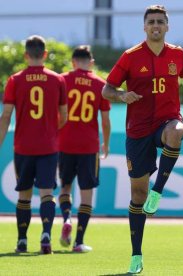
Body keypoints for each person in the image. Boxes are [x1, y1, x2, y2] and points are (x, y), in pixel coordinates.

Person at [102, 5, 183, 274]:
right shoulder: (130, 57)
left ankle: (158, 191)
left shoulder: (177, 53)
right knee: (136, 195)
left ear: (167, 26)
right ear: (144, 26)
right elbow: (107, 89)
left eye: (160, 22)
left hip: (166, 120)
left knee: (177, 132)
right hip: (137, 129)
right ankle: (136, 255)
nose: (155, 25)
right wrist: (121, 96)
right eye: (151, 21)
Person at [0, 35, 67, 254]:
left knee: (24, 195)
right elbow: (64, 115)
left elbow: (6, 116)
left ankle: (21, 239)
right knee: (47, 193)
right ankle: (46, 235)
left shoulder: (15, 80)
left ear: (26, 55)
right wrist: (50, 131)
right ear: (45, 54)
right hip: (48, 146)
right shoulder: (57, 80)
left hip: (23, 147)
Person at [58, 45, 111, 253]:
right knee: (86, 194)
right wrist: (105, 143)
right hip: (88, 146)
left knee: (65, 188)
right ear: (91, 62)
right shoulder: (100, 84)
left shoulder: (62, 79)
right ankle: (78, 242)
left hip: (64, 143)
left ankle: (66, 218)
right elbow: (105, 121)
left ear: (73, 62)